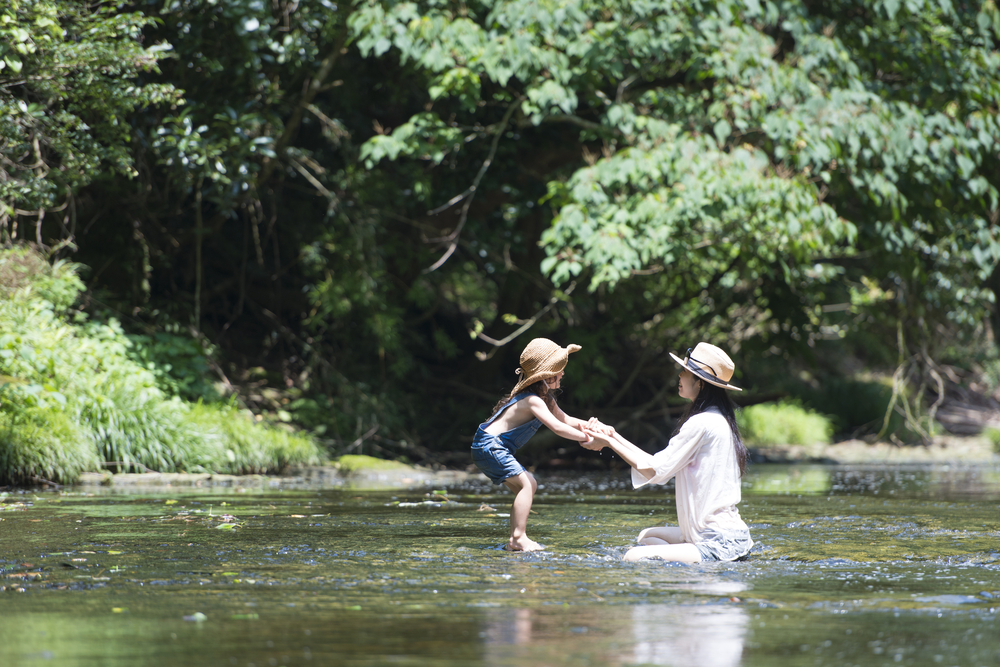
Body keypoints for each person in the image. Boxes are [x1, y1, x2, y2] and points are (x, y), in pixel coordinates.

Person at [582, 342, 752, 563]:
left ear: (699, 383)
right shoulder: (719, 419)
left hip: (718, 542)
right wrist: (611, 436)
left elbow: (656, 471)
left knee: (632, 556)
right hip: (729, 536)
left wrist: (609, 443)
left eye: (684, 372)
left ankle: (694, 561)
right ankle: (688, 558)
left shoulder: (701, 423)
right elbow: (658, 463)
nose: (679, 376)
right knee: (647, 536)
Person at [472, 338, 595, 552]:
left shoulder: (545, 399)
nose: (563, 373)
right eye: (559, 370)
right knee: (528, 484)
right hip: (490, 446)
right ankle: (518, 537)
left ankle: (515, 540)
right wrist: (585, 439)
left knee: (527, 485)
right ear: (546, 375)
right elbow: (557, 428)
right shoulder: (533, 400)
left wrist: (595, 427)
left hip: (484, 446)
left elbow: (566, 419)